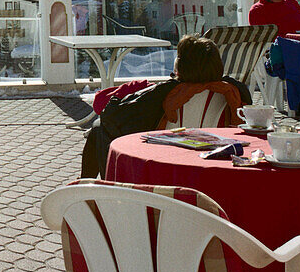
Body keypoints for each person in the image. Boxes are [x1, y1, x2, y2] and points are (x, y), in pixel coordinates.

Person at [80, 35, 249, 177]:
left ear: (180, 65)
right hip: (213, 156)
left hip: (161, 158)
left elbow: (113, 116)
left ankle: (91, 189)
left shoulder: (165, 92)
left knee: (98, 127)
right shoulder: (233, 90)